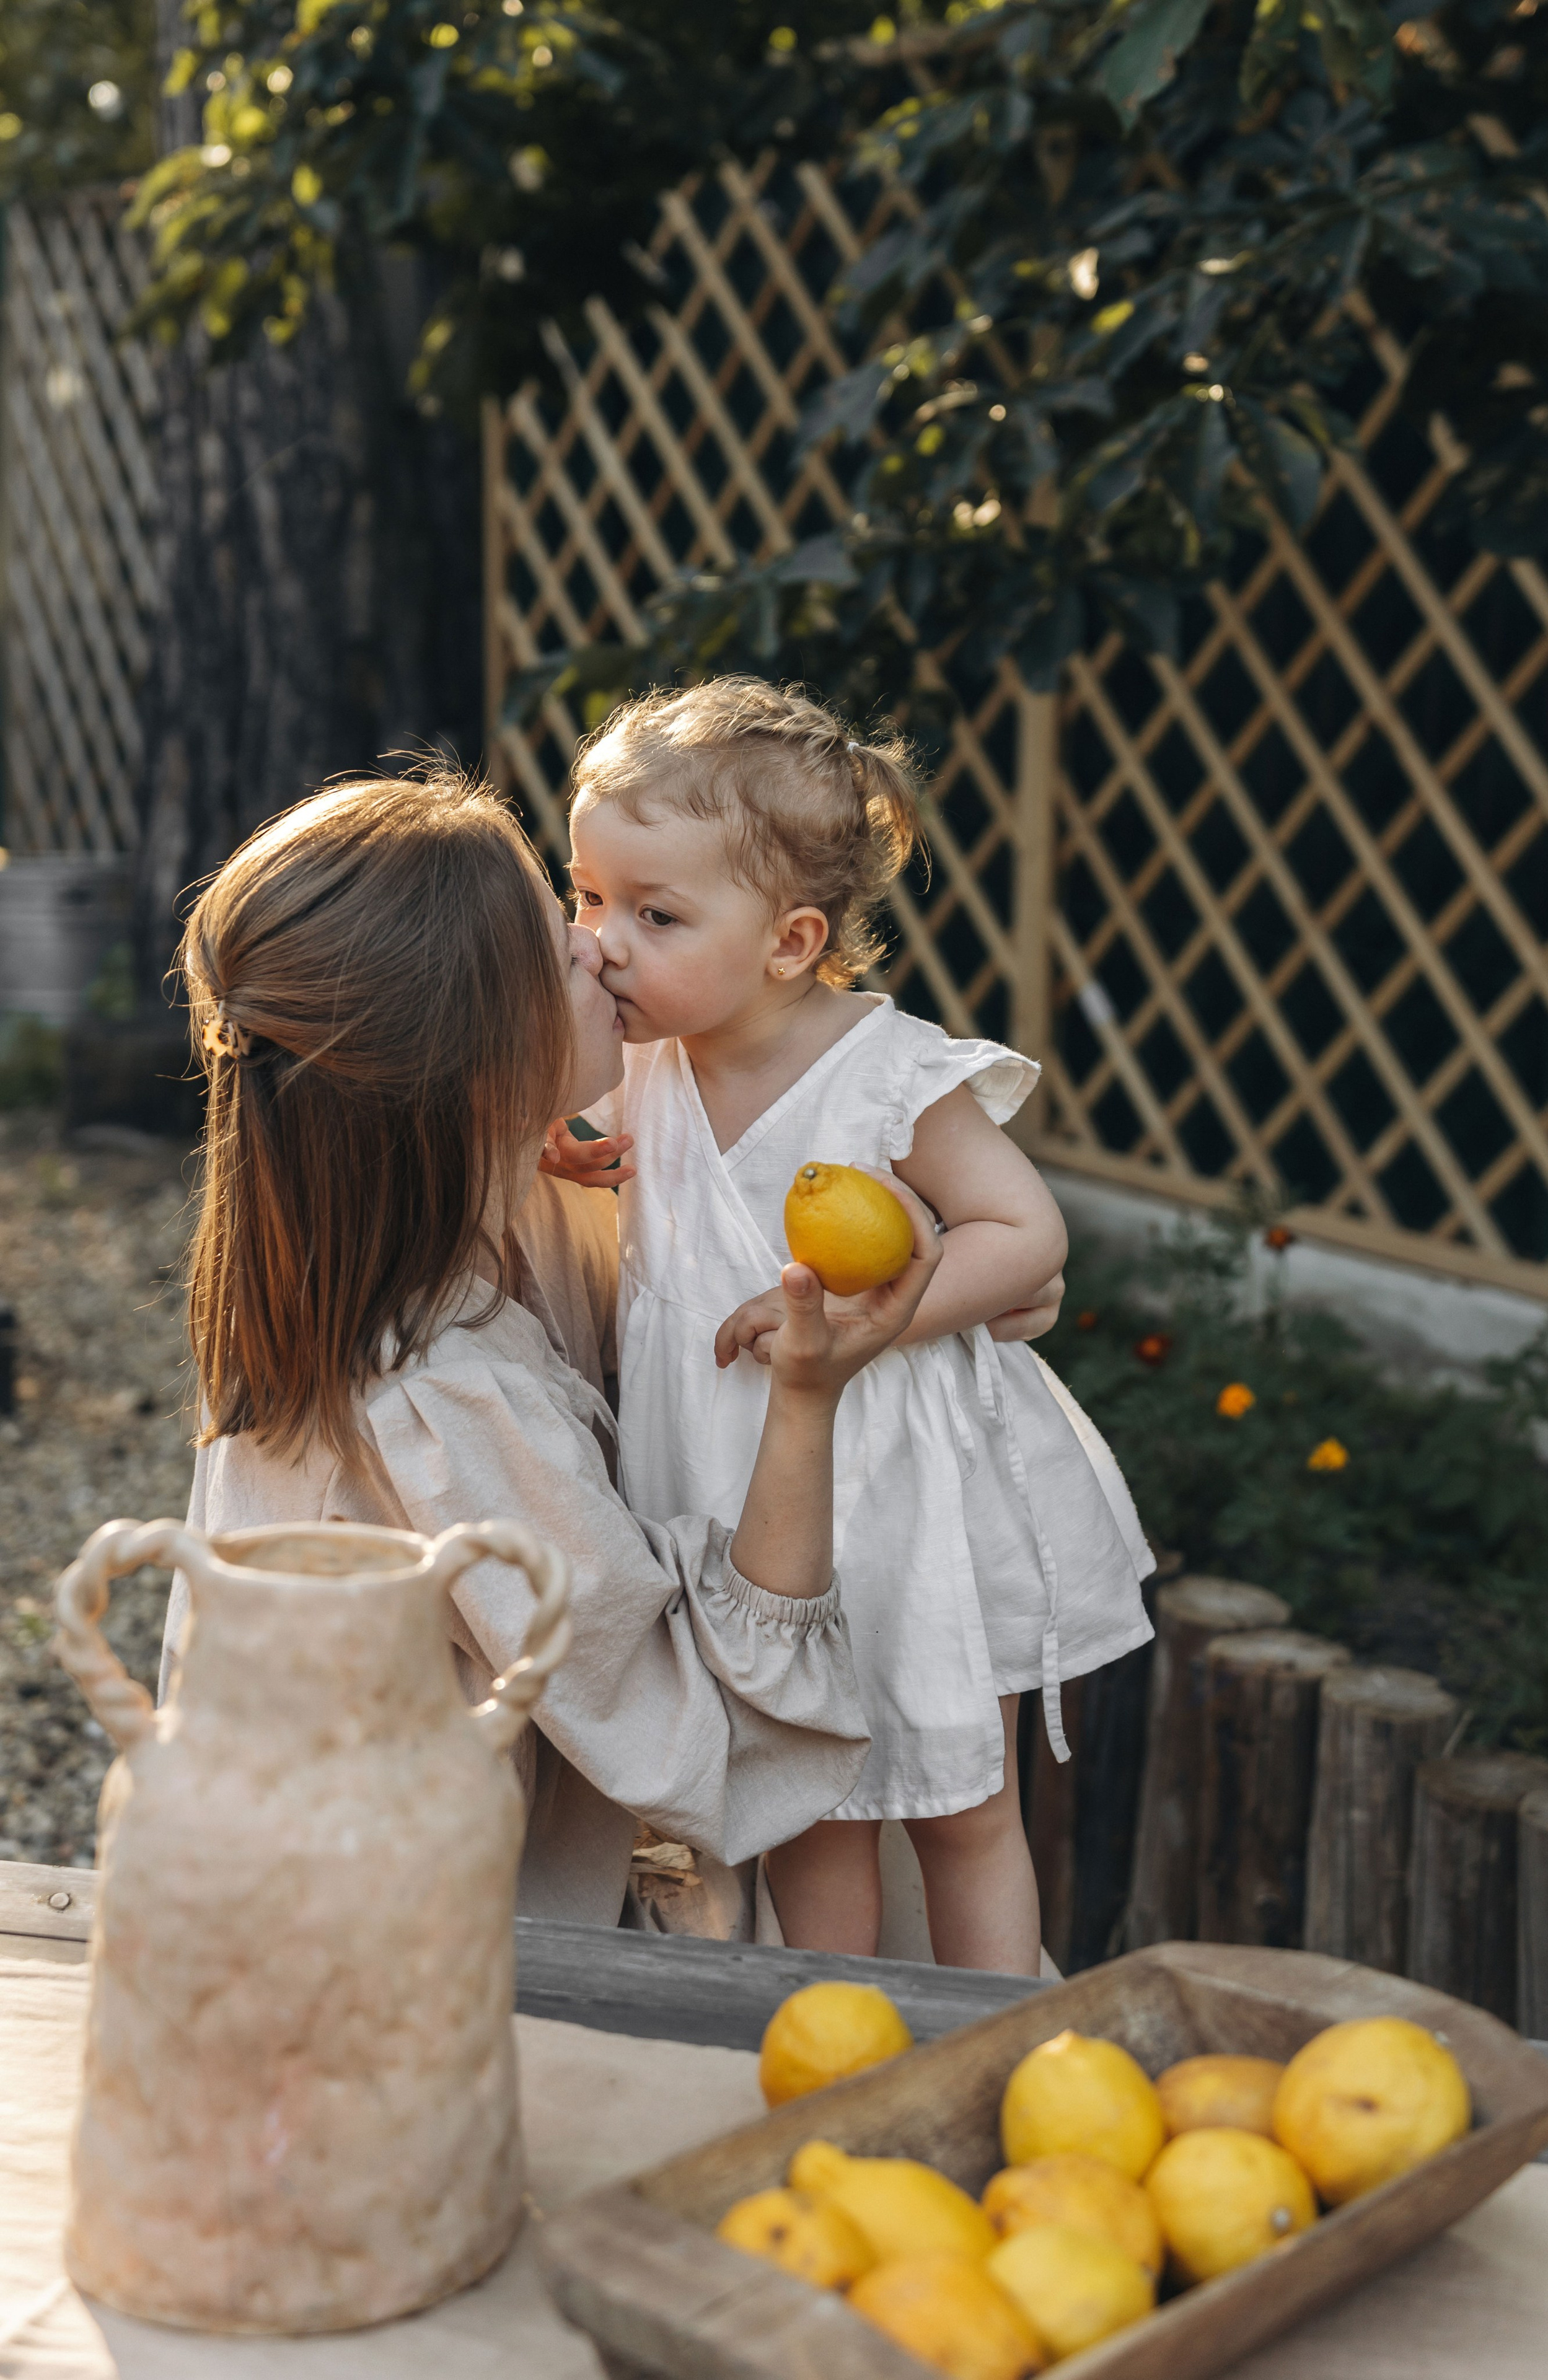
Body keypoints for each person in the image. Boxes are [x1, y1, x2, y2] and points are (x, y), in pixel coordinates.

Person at [159, 767, 943, 1926]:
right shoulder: (448, 1407)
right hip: (427, 1991)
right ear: (481, 1058)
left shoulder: (401, 1250)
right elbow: (715, 1752)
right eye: (555, 938)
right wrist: (806, 1400)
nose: (595, 951)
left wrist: (972, 1256)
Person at [561, 678, 1154, 1974]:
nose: (603, 940)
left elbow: (1022, 1235)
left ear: (789, 940)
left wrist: (872, 1331)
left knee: (960, 1808)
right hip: (741, 1509)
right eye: (588, 895)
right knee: (805, 1813)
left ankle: (992, 2042)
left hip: (901, 1499)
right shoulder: (640, 1070)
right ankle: (832, 2048)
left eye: (654, 913)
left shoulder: (884, 1072)